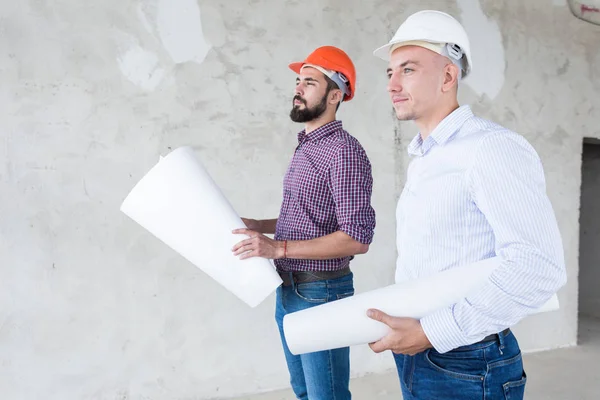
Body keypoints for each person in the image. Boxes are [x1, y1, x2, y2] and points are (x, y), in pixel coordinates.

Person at [366, 10, 567, 400]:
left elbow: (539, 266)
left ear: (447, 76)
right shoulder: (427, 156)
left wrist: (430, 332)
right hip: (418, 352)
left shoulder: (489, 149)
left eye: (407, 69)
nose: (392, 84)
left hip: (466, 361)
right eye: (389, 73)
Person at [231, 46, 376, 400]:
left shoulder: (344, 152)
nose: (298, 88)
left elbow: (357, 237)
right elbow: (308, 219)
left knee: (326, 397)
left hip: (320, 294)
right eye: (298, 81)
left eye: (309, 82)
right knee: (304, 393)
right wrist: (258, 224)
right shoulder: (307, 146)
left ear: (335, 95)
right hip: (288, 289)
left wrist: (276, 248)